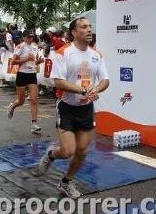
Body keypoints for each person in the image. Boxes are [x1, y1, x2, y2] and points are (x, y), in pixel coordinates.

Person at [38, 17, 109, 198]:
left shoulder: (96, 55)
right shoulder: (63, 53)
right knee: (68, 151)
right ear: (74, 33)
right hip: (67, 107)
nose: (89, 30)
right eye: (84, 27)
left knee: (82, 151)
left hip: (86, 108)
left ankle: (66, 182)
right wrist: (82, 89)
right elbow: (58, 82)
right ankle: (52, 155)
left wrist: (95, 89)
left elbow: (105, 80)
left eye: (90, 27)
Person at [7, 29, 44, 134]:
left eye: (31, 37)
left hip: (32, 75)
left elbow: (34, 62)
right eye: (28, 37)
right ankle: (13, 106)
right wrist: (25, 59)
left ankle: (34, 124)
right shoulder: (20, 47)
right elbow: (13, 62)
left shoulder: (35, 47)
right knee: (21, 101)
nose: (30, 38)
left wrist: (39, 61)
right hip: (22, 75)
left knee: (34, 100)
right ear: (23, 37)